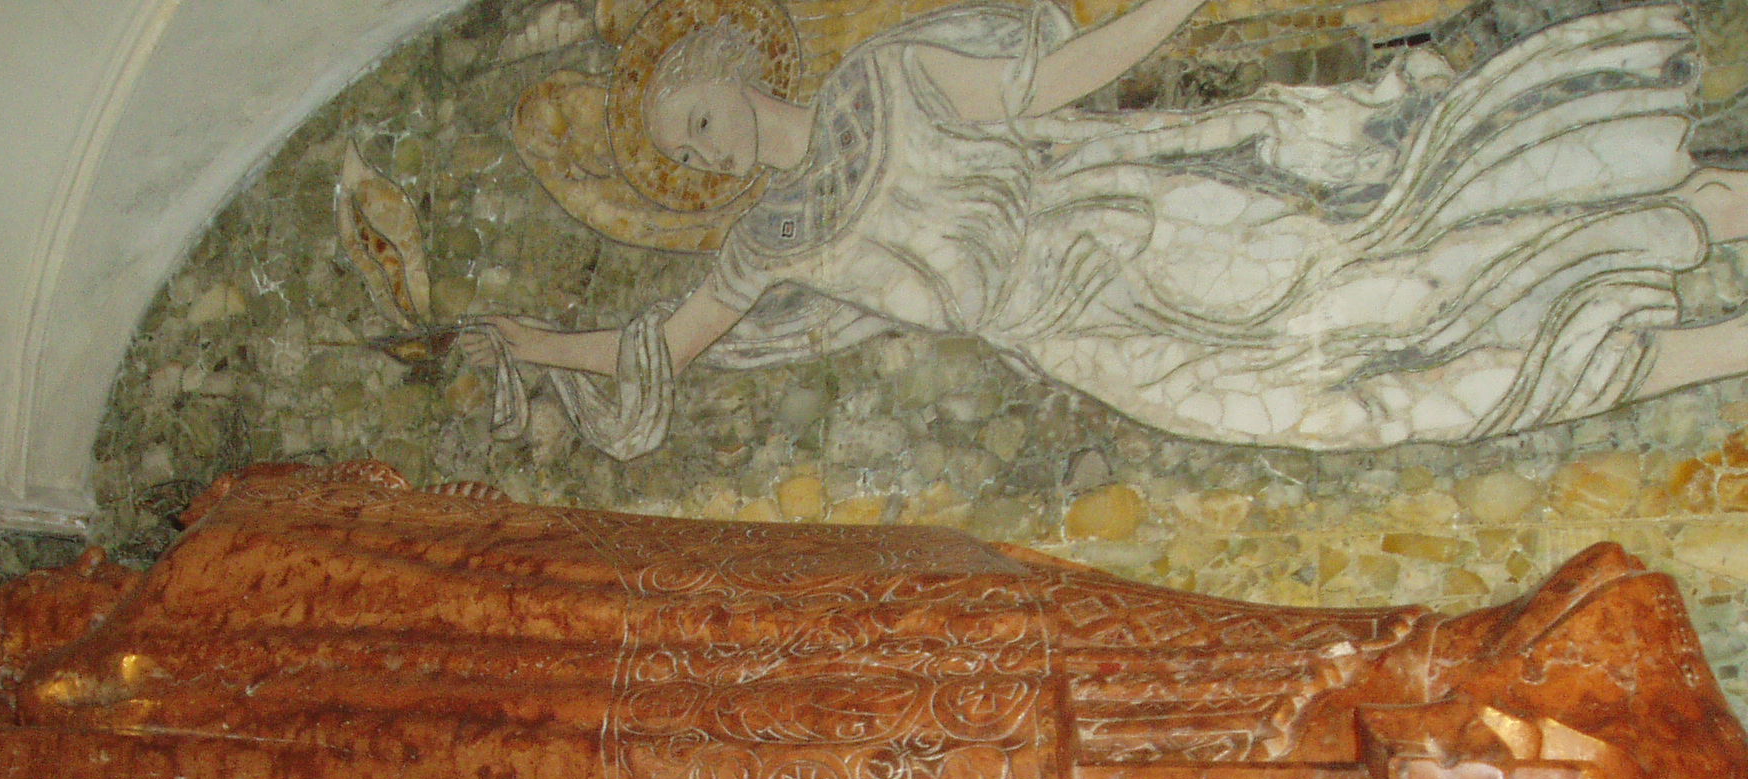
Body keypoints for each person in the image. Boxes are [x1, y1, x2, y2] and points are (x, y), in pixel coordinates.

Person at [465, 0, 1748, 460]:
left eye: (696, 120)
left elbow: (1054, 81)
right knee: (1330, 407)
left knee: (1384, 248)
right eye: (686, 156)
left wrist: (1172, 7)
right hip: (1082, 338)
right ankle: (1700, 348)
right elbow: (665, 342)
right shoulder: (771, 242)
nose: (705, 156)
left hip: (1128, 216)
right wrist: (539, 341)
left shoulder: (890, 80)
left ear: (740, 64)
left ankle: (1703, 206)